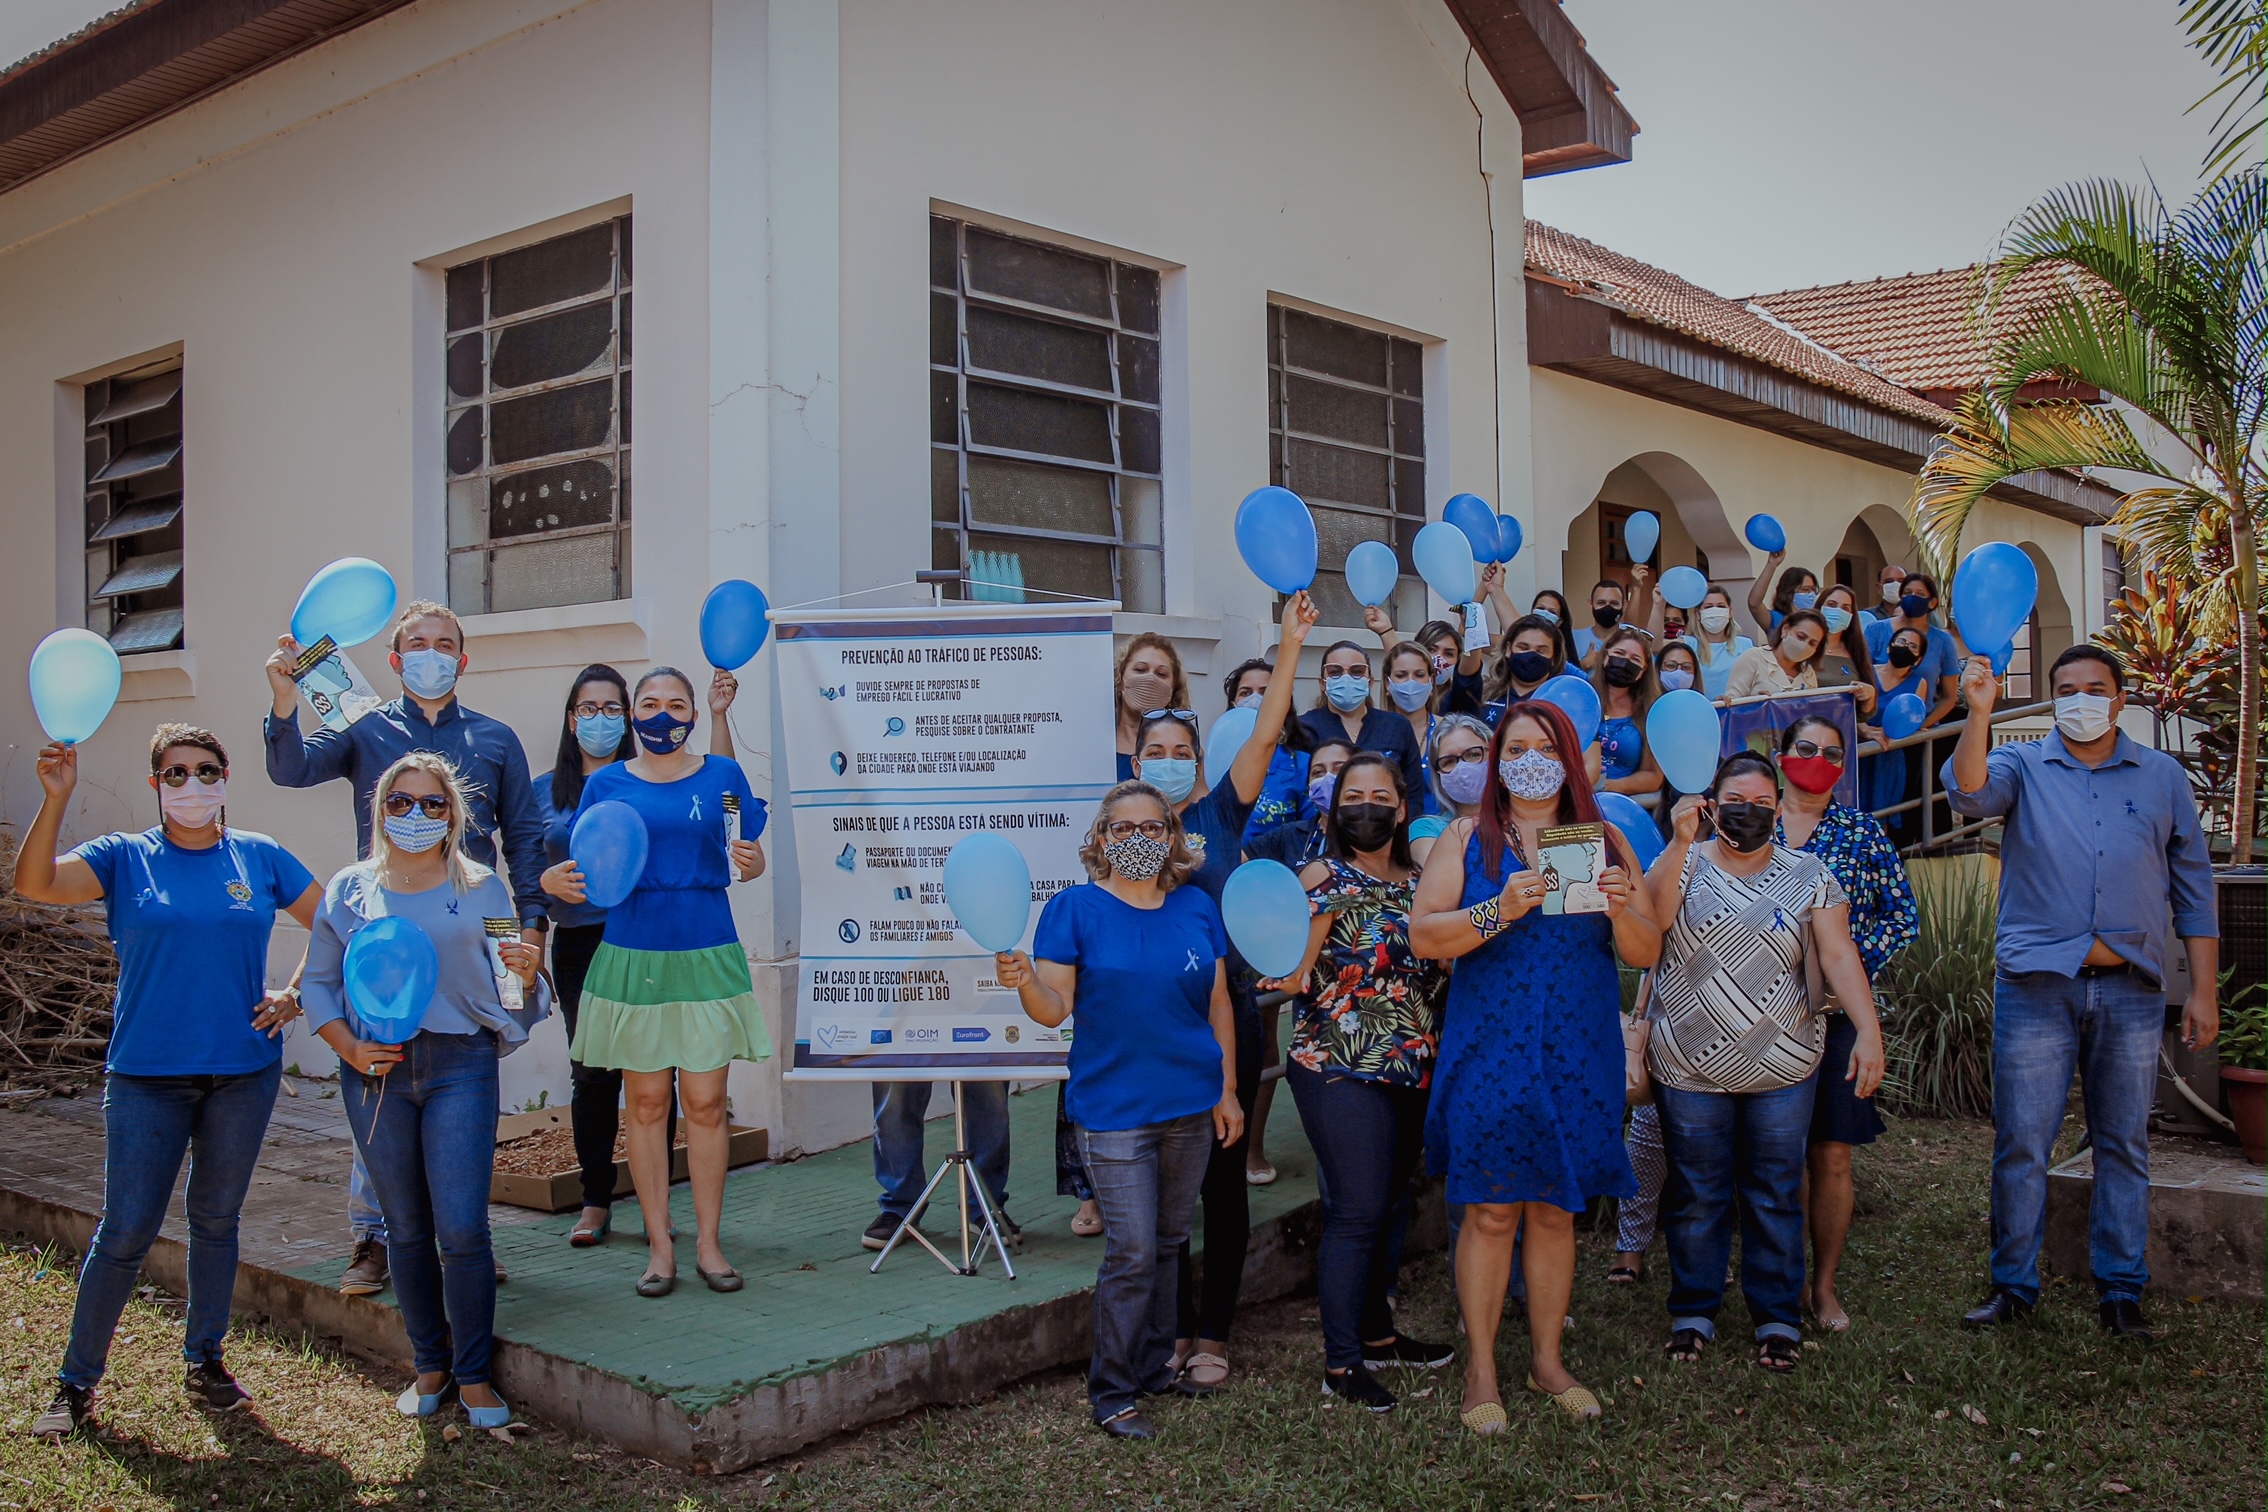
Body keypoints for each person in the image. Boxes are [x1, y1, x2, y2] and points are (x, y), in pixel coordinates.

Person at [23, 727, 320, 1439]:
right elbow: (33, 884)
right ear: (156, 783)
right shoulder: (124, 858)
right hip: (147, 1078)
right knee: (126, 1231)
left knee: (216, 1223)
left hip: (242, 1075)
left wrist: (297, 994)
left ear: (226, 777)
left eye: (206, 770)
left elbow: (340, 925)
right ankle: (74, 1384)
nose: (193, 783)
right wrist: (55, 799)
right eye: (176, 772)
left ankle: (206, 1363)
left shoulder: (260, 855)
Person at [264, 599, 547, 1296]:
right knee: (384, 1073)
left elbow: (525, 839)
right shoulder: (363, 727)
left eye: (444, 643)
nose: (431, 652)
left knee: (470, 1077)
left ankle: (465, 1239)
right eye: (417, 643)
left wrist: (531, 931)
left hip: (475, 924)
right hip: (386, 927)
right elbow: (291, 770)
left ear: (463, 658)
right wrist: (281, 703)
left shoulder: (496, 739)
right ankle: (374, 1239)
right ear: (394, 660)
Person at [1944, 646, 2218, 1341]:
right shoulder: (2024, 765)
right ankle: (2014, 1288)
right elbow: (1970, 793)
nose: (2081, 699)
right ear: (2051, 699)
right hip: (2038, 987)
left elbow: (2194, 891)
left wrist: (2203, 991)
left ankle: (2120, 1292)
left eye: (2096, 688)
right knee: (2023, 1142)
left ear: (2121, 699)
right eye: (2067, 689)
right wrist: (1979, 713)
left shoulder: (2161, 776)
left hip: (2130, 989)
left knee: (2123, 1143)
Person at [1409, 701, 1662, 1430]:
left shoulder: (1606, 838)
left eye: (1545, 746)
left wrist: (1622, 910)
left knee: (1556, 1208)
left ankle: (1548, 1361)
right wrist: (1498, 912)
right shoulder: (1466, 837)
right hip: (1490, 1044)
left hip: (1577, 1047)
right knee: (1491, 1210)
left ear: (1572, 756)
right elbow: (1425, 937)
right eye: (1514, 746)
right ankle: (1482, 1371)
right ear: (1496, 761)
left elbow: (1645, 952)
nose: (1529, 759)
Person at [300, 752, 550, 1430]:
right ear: (379, 811)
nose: (416, 815)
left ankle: (473, 1378)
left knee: (462, 1229)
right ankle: (430, 1366)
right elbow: (318, 983)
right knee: (404, 1229)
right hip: (374, 1072)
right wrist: (348, 1047)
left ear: (453, 814)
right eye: (401, 803)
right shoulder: (351, 889)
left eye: (432, 804)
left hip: (459, 1066)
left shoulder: (483, 888)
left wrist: (526, 973)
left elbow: (510, 988)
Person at [995, 783, 1245, 1440]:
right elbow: (1055, 1007)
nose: (1137, 839)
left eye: (1152, 827)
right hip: (1113, 1110)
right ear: (1101, 840)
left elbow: (1218, 1003)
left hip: (1191, 1103)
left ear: (1172, 837)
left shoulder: (1195, 905)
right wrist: (1025, 983)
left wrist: (1227, 1089)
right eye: (1122, 828)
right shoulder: (1074, 908)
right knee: (1131, 1250)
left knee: (1167, 1241)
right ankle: (1112, 1390)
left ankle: (1156, 1363)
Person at [1643, 755, 1886, 1373]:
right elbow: (1649, 926)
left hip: (1784, 1067)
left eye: (1758, 801)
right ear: (1710, 804)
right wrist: (1678, 842)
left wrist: (1868, 1030)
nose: (1745, 812)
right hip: (1688, 1066)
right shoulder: (1683, 864)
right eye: (1733, 800)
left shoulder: (1810, 874)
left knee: (1776, 1191)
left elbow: (1838, 955)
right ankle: (1693, 1310)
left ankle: (1777, 1314)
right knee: (1698, 1193)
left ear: (1778, 808)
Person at [1131, 592, 1314, 1386]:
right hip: (1145, 1030)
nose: (1168, 760)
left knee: (1218, 1183)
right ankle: (1167, 1332)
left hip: (1224, 1019)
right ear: (1137, 766)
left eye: (1181, 748)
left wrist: (1289, 644)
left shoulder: (1217, 814)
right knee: (1161, 1195)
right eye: (1155, 751)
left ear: (1196, 762)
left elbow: (1269, 732)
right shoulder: (1119, 830)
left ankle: (1212, 1334)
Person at [543, 668, 770, 1298]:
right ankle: (660, 1246)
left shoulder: (723, 776)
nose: (662, 715)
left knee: (704, 1104)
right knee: (644, 1106)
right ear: (633, 715)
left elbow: (743, 851)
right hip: (632, 954)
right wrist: (554, 883)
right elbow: (580, 867)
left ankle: (709, 1244)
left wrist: (752, 864)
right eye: (649, 704)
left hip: (706, 950)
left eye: (676, 704)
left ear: (694, 715)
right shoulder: (608, 783)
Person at [1262, 753, 1452, 1412]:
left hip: (1410, 1060)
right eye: (1353, 795)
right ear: (1335, 808)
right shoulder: (1318, 872)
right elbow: (1290, 967)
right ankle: (1341, 1366)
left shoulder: (1424, 881)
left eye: (1381, 795)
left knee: (1391, 1202)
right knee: (1359, 1208)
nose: (1366, 805)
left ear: (1402, 808)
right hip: (1337, 1061)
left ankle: (1377, 1333)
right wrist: (1288, 967)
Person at [1774, 716, 1918, 1331]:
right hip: (1754, 1020)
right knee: (1769, 1156)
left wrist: (1847, 967)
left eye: (1833, 753)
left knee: (1830, 1155)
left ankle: (1824, 1285)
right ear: (1781, 756)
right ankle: (1779, 1274)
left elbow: (1900, 915)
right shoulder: (1746, 822)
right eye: (1806, 748)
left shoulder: (1861, 832)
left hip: (1832, 1019)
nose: (1818, 759)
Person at [1243, 734, 1355, 1188]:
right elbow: (1242, 868)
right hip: (1291, 968)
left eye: (1339, 769)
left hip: (1357, 980)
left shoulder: (1382, 836)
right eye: (1318, 771)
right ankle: (1251, 1149)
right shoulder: (1291, 836)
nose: (1328, 779)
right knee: (1265, 1050)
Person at [1295, 640, 1425, 815]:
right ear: (1323, 683)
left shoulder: (1397, 726)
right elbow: (1294, 794)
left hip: (1388, 832)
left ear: (1370, 682)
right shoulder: (1303, 728)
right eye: (1335, 672)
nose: (1346, 678)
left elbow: (1414, 796)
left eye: (1357, 672)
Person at [1224, 656, 1311, 843]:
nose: (1256, 699)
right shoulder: (1214, 762)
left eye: (1266, 692)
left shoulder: (1303, 766)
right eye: (1245, 693)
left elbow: (1309, 833)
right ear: (1233, 704)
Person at [1590, 626, 1665, 800]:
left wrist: (1610, 786)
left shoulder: (1652, 712)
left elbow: (1654, 777)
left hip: (1619, 803)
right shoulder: (1582, 697)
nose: (1625, 662)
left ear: (1642, 672)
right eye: (1620, 653)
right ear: (1605, 656)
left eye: (1635, 659)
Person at [1409, 714, 1493, 867]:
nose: (1463, 767)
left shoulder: (1523, 819)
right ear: (1438, 773)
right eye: (1449, 761)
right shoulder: (1427, 829)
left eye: (1473, 754)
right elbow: (1440, 880)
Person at [1114, 634, 1191, 782]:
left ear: (1173, 690)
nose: (1150, 679)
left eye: (1161, 674)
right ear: (1120, 681)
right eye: (1141, 669)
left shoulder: (1186, 750)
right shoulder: (1094, 744)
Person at [1672, 585, 1756, 699]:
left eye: (1721, 606)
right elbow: (1654, 645)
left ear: (1730, 612)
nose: (1715, 611)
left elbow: (1756, 682)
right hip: (1700, 711)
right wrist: (1658, 605)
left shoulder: (1745, 645)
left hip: (1736, 712)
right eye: (1708, 607)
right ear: (1698, 614)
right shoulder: (1688, 644)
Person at [1724, 609, 1827, 701]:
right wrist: (1753, 703)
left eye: (1812, 643)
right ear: (1785, 629)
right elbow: (1732, 704)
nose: (1804, 645)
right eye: (1801, 636)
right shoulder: (1753, 658)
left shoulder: (1808, 673)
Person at [1480, 615, 1565, 722]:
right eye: (1523, 648)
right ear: (1509, 649)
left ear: (1554, 657)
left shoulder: (1563, 702)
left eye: (1541, 651)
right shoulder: (1483, 693)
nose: (1531, 655)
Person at [1813, 584, 1881, 718]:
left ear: (1851, 616)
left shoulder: (1857, 651)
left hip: (1843, 732)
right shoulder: (1803, 648)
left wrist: (1869, 696)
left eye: (1845, 608)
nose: (1838, 611)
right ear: (1820, 608)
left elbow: (1865, 714)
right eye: (1832, 605)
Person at [1748, 558, 1820, 635]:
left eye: (1813, 589)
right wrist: (1771, 564)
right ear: (1789, 593)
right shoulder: (1777, 619)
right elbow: (1754, 604)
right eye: (1805, 589)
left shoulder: (1817, 621)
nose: (1811, 594)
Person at [1571, 579, 1628, 667]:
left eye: (1614, 603)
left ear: (1624, 606)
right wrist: (1584, 665)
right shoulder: (1572, 639)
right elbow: (1558, 675)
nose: (1607, 608)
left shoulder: (1631, 642)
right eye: (1601, 603)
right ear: (1591, 605)